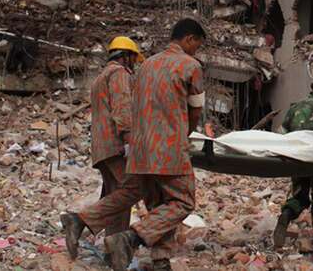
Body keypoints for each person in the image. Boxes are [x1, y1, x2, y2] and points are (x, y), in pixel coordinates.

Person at [97, 19, 213, 271]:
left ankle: (160, 260)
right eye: (197, 45)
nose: (196, 50)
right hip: (169, 149)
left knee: (159, 206)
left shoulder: (145, 65)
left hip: (139, 151)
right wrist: (185, 133)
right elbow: (195, 110)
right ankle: (130, 237)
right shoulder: (191, 65)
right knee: (182, 202)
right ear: (189, 39)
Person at [60, 36, 143, 259]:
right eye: (134, 58)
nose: (134, 64)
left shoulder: (100, 77)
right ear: (127, 56)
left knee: (117, 198)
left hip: (101, 147)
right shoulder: (119, 74)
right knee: (133, 190)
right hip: (115, 145)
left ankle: (114, 252)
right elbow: (123, 108)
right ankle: (79, 221)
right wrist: (129, 140)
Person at [272, 77, 313, 259]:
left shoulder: (295, 107)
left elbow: (281, 135)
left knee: (300, 194)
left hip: (296, 158)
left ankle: (286, 214)